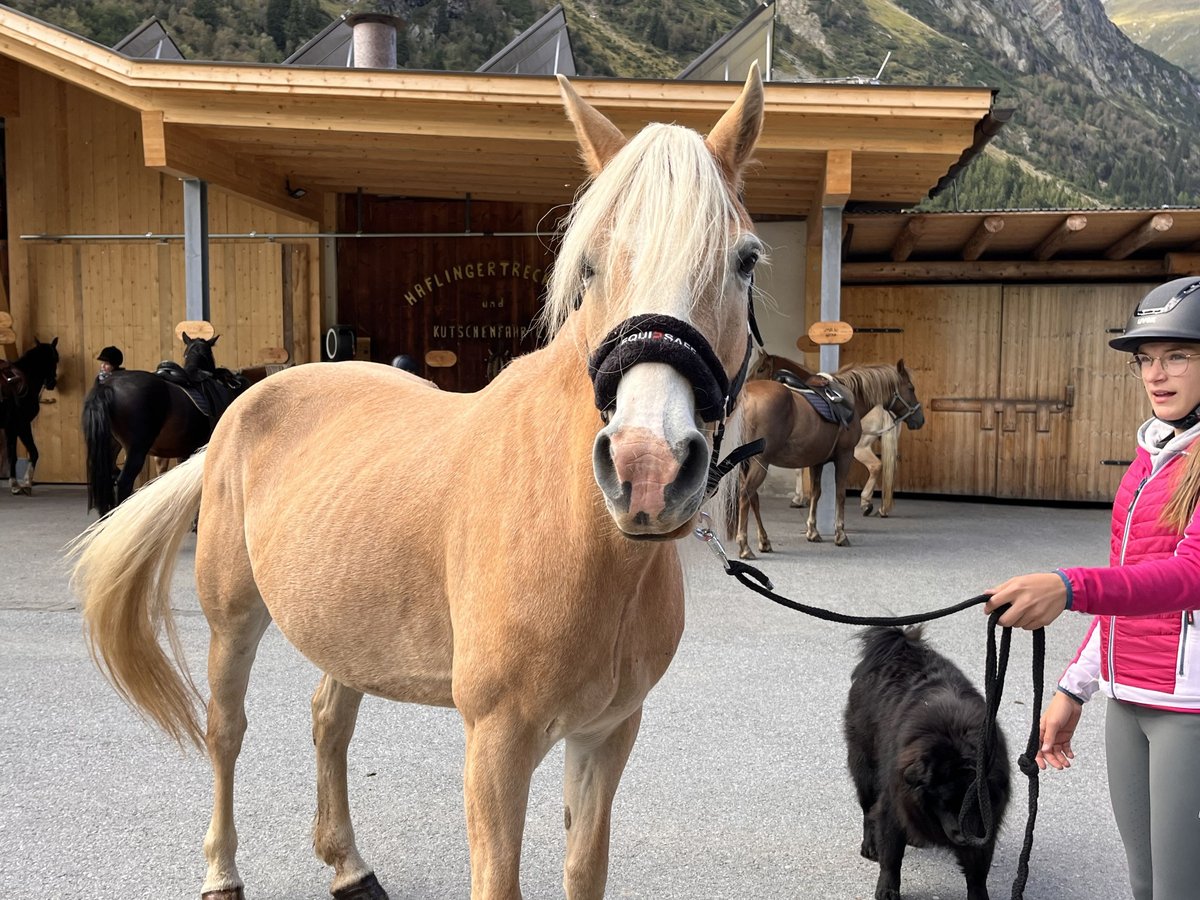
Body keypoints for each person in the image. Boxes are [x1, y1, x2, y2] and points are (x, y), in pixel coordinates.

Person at [984, 275, 1200, 900]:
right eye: (1146, 360)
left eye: (1178, 356)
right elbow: (1131, 576)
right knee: (1144, 882)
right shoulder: (1156, 453)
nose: (1157, 374)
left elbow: (1189, 576)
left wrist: (1067, 587)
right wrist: (1074, 687)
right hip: (1130, 698)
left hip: (1190, 707)